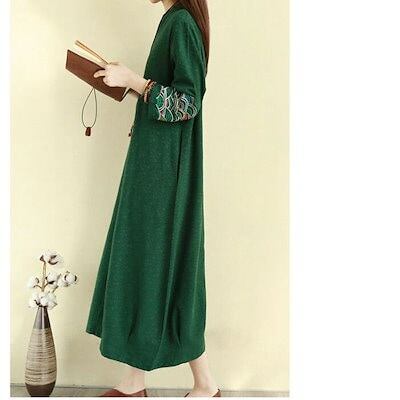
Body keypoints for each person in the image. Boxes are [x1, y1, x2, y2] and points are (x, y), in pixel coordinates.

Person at [85, 0, 220, 397]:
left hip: (164, 170)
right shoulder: (173, 20)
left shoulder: (181, 23)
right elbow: (169, 97)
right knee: (150, 261)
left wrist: (135, 80)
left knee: (155, 260)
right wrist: (127, 84)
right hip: (154, 162)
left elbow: (188, 102)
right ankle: (150, 382)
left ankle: (189, 383)